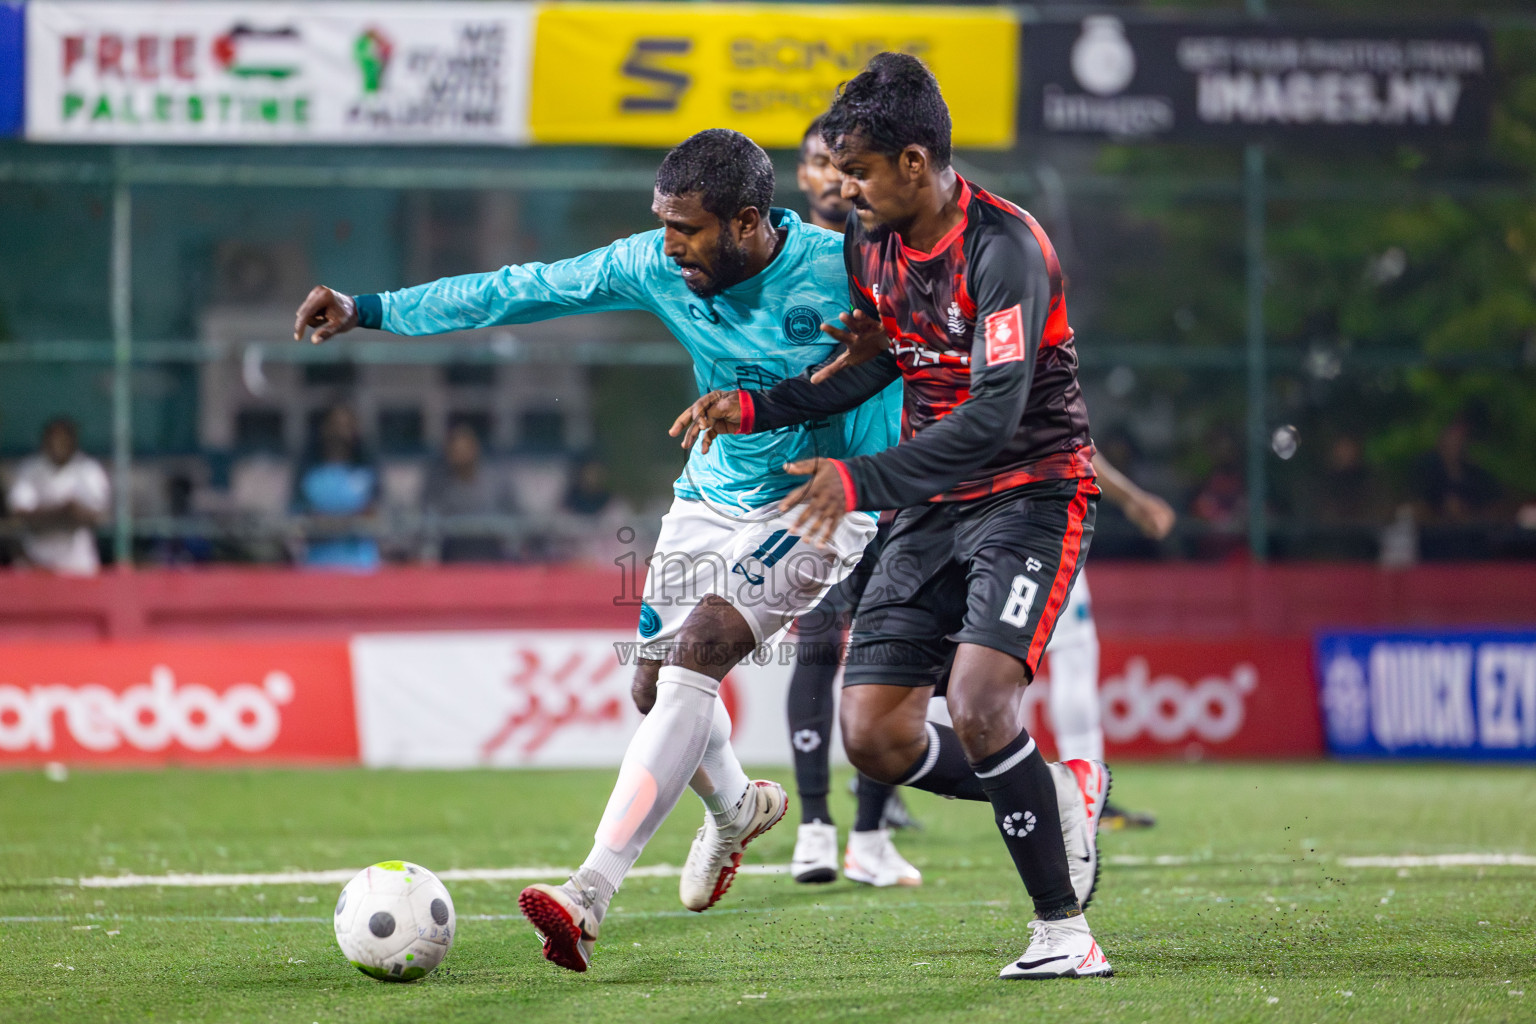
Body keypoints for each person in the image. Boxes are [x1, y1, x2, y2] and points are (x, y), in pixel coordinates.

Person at [293, 129, 907, 973]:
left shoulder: (848, 267)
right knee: (652, 686)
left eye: (688, 228)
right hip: (713, 489)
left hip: (824, 499)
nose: (669, 243)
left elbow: (937, 341)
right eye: (664, 223)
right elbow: (518, 291)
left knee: (699, 656)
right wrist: (372, 309)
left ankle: (589, 891)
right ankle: (737, 809)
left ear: (749, 221)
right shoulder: (656, 264)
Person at [675, 54, 1112, 979]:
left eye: (859, 171)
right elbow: (883, 359)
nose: (844, 189)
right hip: (931, 503)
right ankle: (1056, 792)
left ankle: (1062, 932)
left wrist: (860, 478)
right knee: (874, 738)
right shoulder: (873, 246)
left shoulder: (1005, 249)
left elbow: (994, 416)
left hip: (1029, 491)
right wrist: (754, 408)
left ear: (917, 163)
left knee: (982, 701)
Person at [786, 115, 921, 889]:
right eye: (821, 164)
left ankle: (870, 835)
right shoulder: (790, 266)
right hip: (827, 487)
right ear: (806, 177)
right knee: (816, 646)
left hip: (903, 479)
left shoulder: (897, 252)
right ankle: (812, 825)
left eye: (848, 165)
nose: (837, 178)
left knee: (893, 655)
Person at [1046, 452, 1173, 830]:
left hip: (972, 527)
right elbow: (1079, 446)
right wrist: (1134, 498)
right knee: (1073, 653)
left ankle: (883, 786)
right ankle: (1084, 798)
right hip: (1043, 532)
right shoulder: (1034, 390)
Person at [4, 417, 109, 575]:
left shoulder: (88, 469)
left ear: (73, 441)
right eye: (52, 439)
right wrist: (65, 512)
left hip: (78, 565)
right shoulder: (29, 469)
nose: (57, 445)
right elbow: (20, 514)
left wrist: (49, 516)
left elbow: (96, 518)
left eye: (63, 439)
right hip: (35, 562)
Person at [293, 405, 381, 571]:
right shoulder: (309, 475)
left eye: (346, 425)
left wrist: (335, 523)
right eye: (335, 425)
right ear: (324, 428)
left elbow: (377, 518)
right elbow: (297, 522)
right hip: (316, 566)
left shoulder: (366, 473)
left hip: (361, 566)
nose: (340, 432)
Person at [425, 421, 515, 563]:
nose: (461, 456)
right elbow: (428, 521)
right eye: (456, 451)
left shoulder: (497, 482)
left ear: (475, 449)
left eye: (465, 450)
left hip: (492, 558)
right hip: (452, 559)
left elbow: (515, 518)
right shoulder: (438, 484)